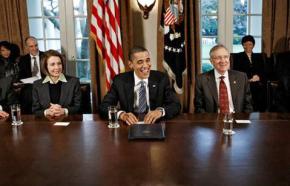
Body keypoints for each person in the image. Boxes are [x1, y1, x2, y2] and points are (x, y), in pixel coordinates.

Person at [99, 46, 181, 125]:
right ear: (130, 64)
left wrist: (160, 111)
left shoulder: (161, 79)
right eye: (140, 62)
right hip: (129, 126)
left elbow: (175, 105)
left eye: (148, 60)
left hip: (155, 125)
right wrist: (122, 115)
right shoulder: (120, 81)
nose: (145, 65)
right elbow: (104, 107)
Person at [195, 44, 253, 113]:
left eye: (226, 57)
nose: (223, 61)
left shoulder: (242, 77)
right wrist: (209, 121)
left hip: (237, 119)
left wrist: (242, 121)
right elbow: (199, 107)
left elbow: (248, 106)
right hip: (213, 120)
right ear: (211, 61)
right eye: (218, 58)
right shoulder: (201, 79)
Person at [32, 49, 81, 117]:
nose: (57, 67)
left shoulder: (74, 82)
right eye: (52, 64)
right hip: (46, 124)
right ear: (46, 66)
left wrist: (64, 111)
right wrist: (47, 112)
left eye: (59, 63)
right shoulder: (37, 85)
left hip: (69, 123)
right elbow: (35, 110)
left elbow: (79, 107)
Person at [232, 35, 267, 112]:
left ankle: (260, 111)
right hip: (245, 81)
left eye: (250, 44)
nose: (248, 46)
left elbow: (264, 70)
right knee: (251, 87)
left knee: (261, 88)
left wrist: (259, 77)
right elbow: (237, 71)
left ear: (253, 45)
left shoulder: (259, 57)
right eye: (245, 44)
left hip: (258, 81)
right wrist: (249, 79)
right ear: (243, 45)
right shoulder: (238, 56)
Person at [17, 36, 45, 114]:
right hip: (29, 85)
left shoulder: (45, 56)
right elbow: (21, 76)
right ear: (27, 47)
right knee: (27, 92)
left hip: (44, 82)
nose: (34, 48)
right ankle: (28, 116)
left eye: (36, 45)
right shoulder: (23, 59)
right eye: (31, 46)